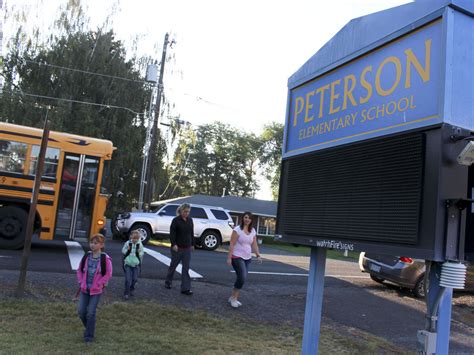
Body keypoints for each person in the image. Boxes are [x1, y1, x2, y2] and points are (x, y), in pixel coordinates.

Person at [76, 234, 113, 343]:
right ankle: (90, 328)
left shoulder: (105, 259)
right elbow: (79, 270)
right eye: (91, 242)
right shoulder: (86, 257)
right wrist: (81, 281)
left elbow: (108, 274)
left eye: (96, 243)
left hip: (96, 291)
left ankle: (89, 336)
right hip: (84, 289)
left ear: (101, 245)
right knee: (81, 311)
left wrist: (99, 284)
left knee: (91, 313)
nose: (92, 245)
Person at [227, 211, 262, 308]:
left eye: (249, 218)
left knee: (242, 278)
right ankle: (234, 298)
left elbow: (254, 244)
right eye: (246, 217)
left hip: (247, 258)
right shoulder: (237, 230)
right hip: (237, 257)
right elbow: (232, 244)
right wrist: (229, 257)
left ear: (251, 220)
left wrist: (258, 255)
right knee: (242, 277)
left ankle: (232, 296)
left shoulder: (253, 231)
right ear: (243, 218)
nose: (247, 219)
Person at [164, 203, 194, 295]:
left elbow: (191, 233)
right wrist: (174, 244)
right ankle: (168, 282)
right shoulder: (176, 220)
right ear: (181, 211)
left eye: (188, 212)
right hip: (177, 248)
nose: (186, 213)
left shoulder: (190, 220)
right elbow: (172, 234)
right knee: (173, 266)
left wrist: (192, 244)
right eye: (185, 211)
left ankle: (185, 288)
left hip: (187, 248)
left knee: (186, 268)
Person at [122, 230, 144, 300]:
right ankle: (126, 293)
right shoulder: (128, 243)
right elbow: (123, 251)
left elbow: (142, 253)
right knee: (128, 279)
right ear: (131, 237)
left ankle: (132, 288)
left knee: (135, 279)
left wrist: (139, 252)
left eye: (137, 238)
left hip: (136, 265)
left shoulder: (139, 245)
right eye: (134, 238)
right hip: (128, 264)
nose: (135, 240)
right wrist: (127, 250)